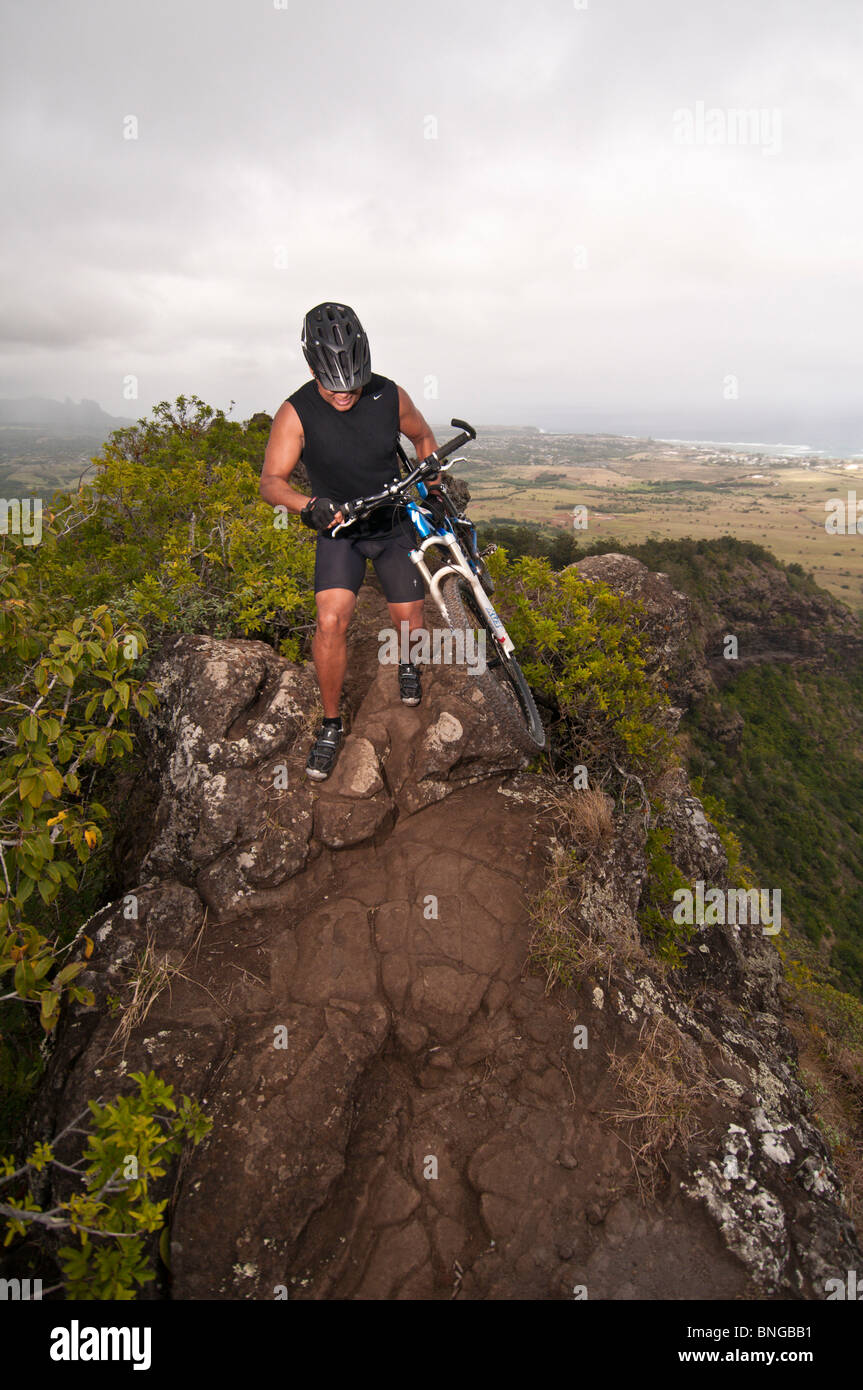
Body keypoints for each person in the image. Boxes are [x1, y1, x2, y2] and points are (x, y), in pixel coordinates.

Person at [259, 302, 447, 780]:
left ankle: (408, 662)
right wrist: (308, 505)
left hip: (392, 524)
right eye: (332, 387)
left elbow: (424, 437)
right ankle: (330, 723)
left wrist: (434, 486)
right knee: (330, 622)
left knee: (408, 617)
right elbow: (271, 483)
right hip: (339, 530)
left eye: (352, 386)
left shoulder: (389, 395)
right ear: (311, 367)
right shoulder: (295, 411)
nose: (344, 396)